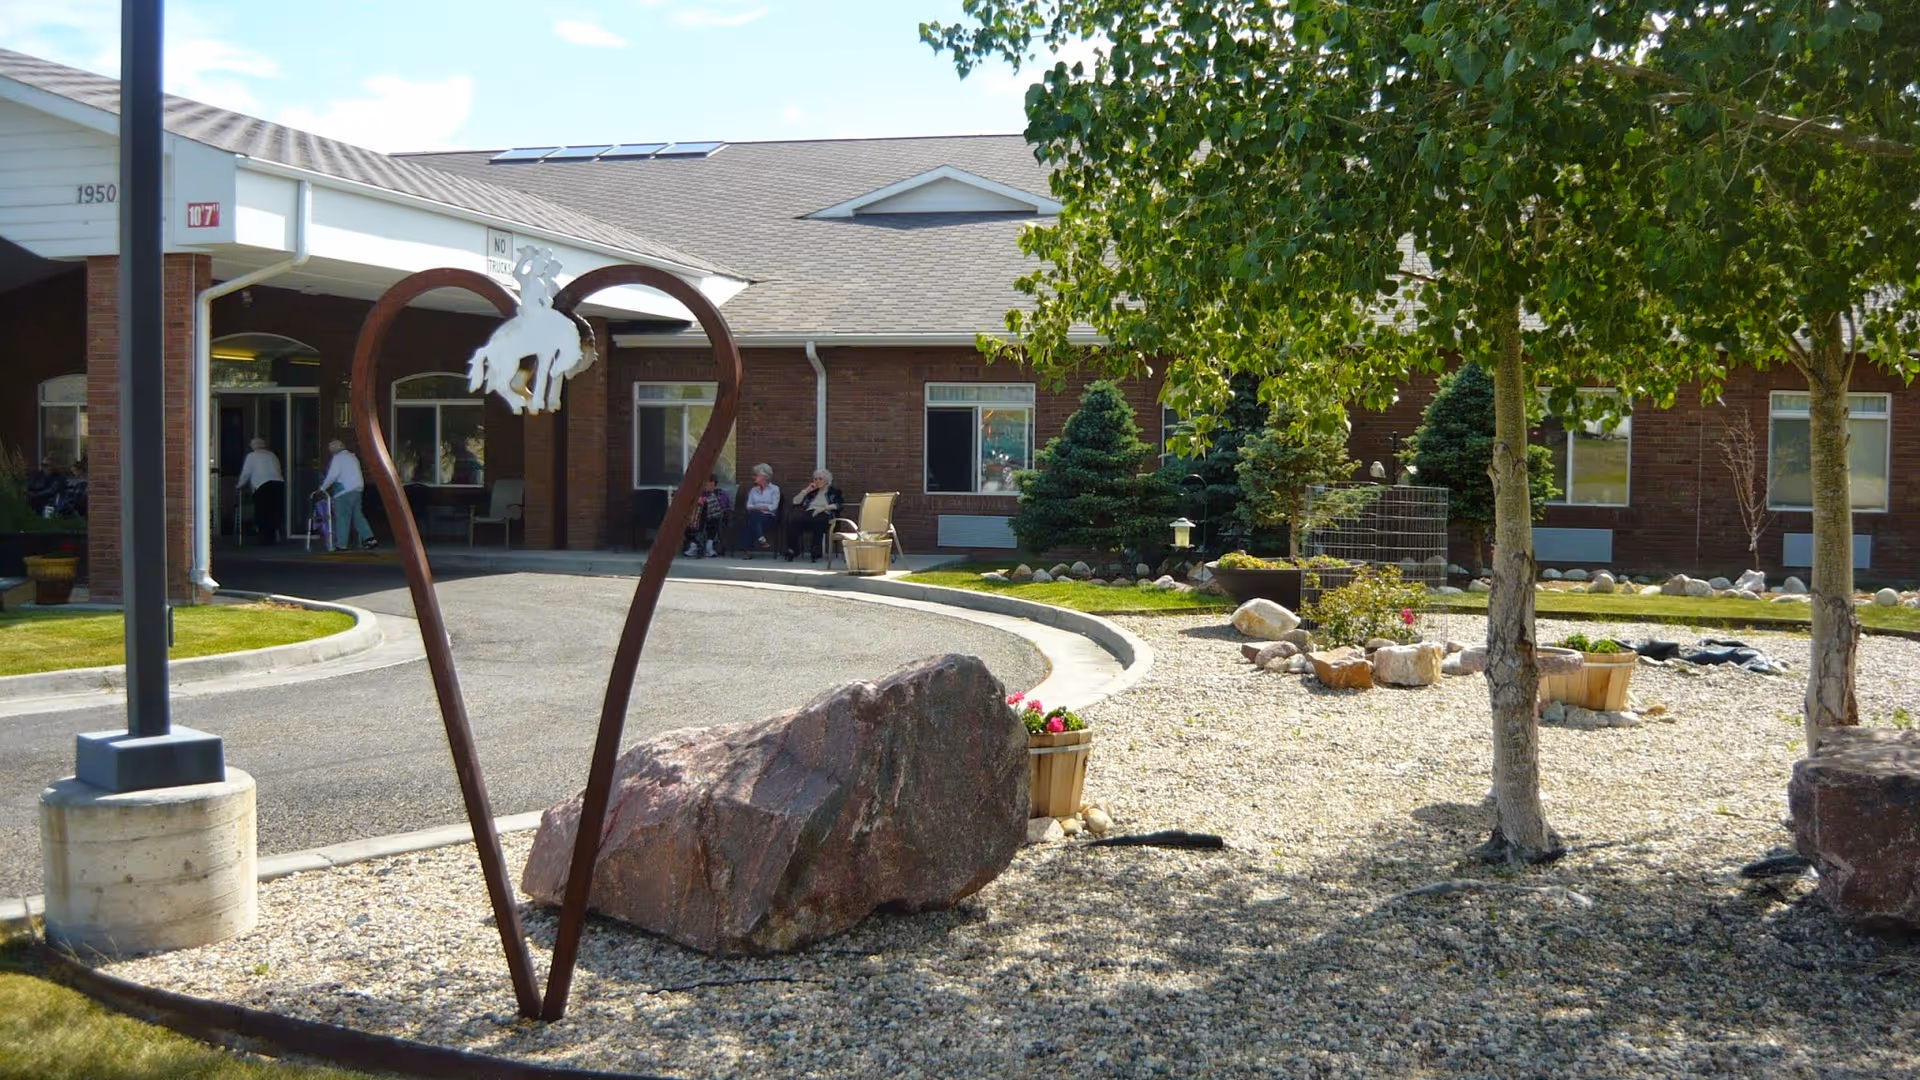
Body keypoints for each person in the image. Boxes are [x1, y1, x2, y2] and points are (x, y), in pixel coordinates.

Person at [318, 438, 377, 552]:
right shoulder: (353, 457)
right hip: (357, 489)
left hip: (344, 491)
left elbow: (332, 476)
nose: (330, 451)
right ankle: (370, 539)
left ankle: (342, 545)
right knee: (357, 515)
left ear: (334, 449)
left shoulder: (338, 458)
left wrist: (322, 488)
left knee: (342, 517)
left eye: (331, 449)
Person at [785, 468, 843, 563]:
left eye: (820, 479)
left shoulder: (834, 492)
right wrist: (807, 490)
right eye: (815, 479)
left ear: (826, 480)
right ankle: (793, 549)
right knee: (794, 521)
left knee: (818, 522)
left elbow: (838, 505)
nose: (817, 481)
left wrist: (823, 508)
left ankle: (816, 551)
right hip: (810, 512)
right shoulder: (812, 492)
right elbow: (795, 501)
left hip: (825, 514)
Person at [235, 437, 284, 545]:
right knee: (274, 510)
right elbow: (278, 469)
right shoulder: (271, 455)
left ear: (253, 446)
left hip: (262, 485)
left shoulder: (252, 456)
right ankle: (274, 534)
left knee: (262, 511)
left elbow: (246, 473)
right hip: (277, 483)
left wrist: (239, 485)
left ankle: (264, 537)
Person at [681, 474, 732, 558]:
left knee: (711, 519)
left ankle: (706, 546)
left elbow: (724, 506)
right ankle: (695, 545)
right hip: (698, 517)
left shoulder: (720, 493)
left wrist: (708, 501)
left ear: (715, 485)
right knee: (689, 522)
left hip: (716, 517)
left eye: (711, 485)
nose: (709, 487)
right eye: (707, 484)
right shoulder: (699, 494)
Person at [740, 463, 780, 556]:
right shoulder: (753, 490)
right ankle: (761, 539)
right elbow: (748, 506)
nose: (753, 477)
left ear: (764, 476)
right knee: (754, 517)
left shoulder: (774, 489)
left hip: (769, 517)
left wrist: (757, 507)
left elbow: (773, 507)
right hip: (755, 515)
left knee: (752, 519)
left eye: (756, 475)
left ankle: (748, 550)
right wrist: (761, 507)